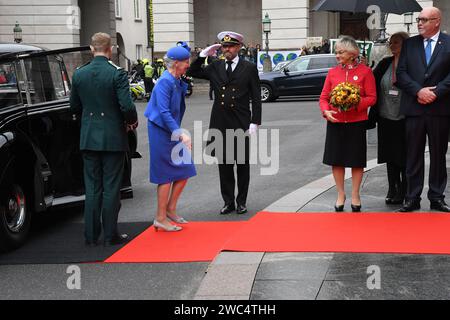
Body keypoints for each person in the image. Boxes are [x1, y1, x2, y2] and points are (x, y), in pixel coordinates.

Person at [69, 32, 138, 247]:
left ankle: (90, 235)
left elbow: (74, 107)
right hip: (112, 137)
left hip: (89, 137)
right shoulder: (116, 74)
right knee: (111, 187)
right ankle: (110, 235)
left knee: (92, 188)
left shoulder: (79, 73)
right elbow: (126, 106)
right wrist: (131, 121)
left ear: (91, 49)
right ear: (111, 49)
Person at [187, 31, 262, 215]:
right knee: (225, 165)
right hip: (220, 121)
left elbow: (256, 97)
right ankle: (228, 201)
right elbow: (192, 72)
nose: (226, 49)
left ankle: (241, 201)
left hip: (240, 121)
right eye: (224, 46)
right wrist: (202, 55)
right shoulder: (216, 66)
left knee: (242, 164)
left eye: (230, 46)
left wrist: (255, 122)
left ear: (238, 48)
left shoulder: (248, 67)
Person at [396, 7, 450, 212]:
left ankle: (437, 197)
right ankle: (412, 197)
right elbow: (401, 74)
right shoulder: (409, 44)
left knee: (438, 154)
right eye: (419, 19)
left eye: (424, 20)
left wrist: (436, 92)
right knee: (413, 154)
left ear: (437, 21)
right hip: (414, 108)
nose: (419, 23)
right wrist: (418, 91)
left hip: (440, 108)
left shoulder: (448, 43)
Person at [319, 36, 377, 212]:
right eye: (336, 52)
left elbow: (372, 98)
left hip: (356, 122)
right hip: (335, 122)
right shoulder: (332, 72)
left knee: (356, 160)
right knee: (337, 160)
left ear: (353, 53)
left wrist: (355, 103)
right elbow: (323, 98)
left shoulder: (366, 72)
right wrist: (326, 111)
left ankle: (355, 194)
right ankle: (340, 193)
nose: (337, 55)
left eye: (341, 52)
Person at [144, 42, 196, 232]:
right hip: (160, 130)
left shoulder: (175, 79)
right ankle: (160, 218)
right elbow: (164, 112)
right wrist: (180, 133)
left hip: (170, 129)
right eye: (186, 62)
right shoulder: (165, 81)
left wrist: (182, 82)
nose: (188, 65)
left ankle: (170, 209)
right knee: (165, 175)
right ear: (176, 64)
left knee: (185, 169)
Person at [369, 32, 409, 205]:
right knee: (389, 156)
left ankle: (404, 190)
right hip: (385, 117)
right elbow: (370, 79)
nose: (392, 46)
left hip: (406, 118)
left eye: (396, 43)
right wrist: (363, 66)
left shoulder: (413, 64)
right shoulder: (385, 63)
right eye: (390, 43)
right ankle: (392, 187)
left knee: (404, 157)